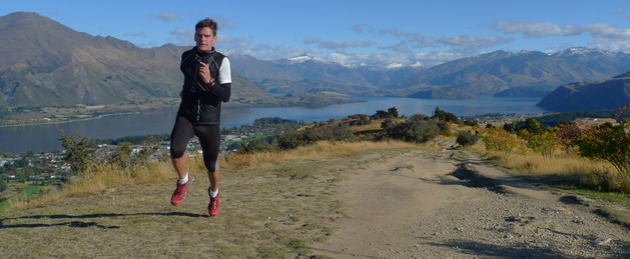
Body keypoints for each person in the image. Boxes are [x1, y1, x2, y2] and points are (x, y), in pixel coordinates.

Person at [169, 18, 231, 216]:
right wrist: (185, 90)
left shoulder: (221, 60)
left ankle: (214, 195)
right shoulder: (186, 56)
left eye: (206, 36)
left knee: (211, 164)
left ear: (215, 38)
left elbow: (226, 95)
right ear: (194, 36)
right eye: (199, 35)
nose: (202, 39)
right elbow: (188, 79)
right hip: (186, 115)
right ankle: (184, 181)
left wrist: (210, 82)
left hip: (209, 119)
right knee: (176, 150)